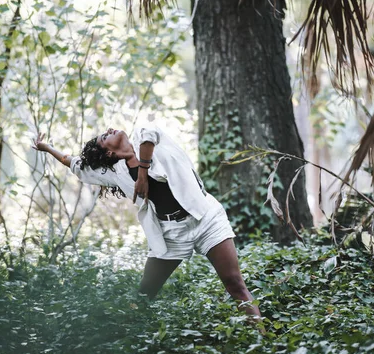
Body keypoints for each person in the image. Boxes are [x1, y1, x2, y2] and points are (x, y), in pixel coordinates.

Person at [32, 126, 261, 318]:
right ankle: (131, 346)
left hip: (206, 218)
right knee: (144, 294)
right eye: (105, 137)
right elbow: (75, 164)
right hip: (171, 233)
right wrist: (46, 147)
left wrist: (142, 173)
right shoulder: (115, 172)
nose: (109, 130)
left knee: (235, 284)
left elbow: (150, 135)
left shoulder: (144, 138)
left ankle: (260, 341)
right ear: (109, 154)